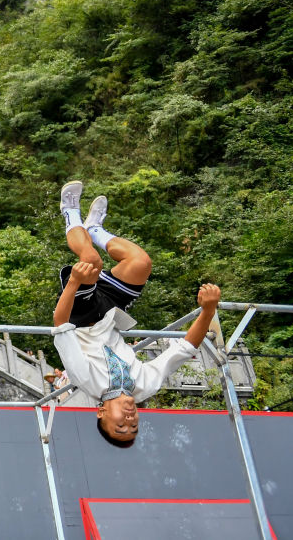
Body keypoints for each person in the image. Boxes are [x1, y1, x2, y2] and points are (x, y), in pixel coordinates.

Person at [52, 180, 222, 447]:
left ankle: (70, 211)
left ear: (101, 413)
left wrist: (74, 282)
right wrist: (208, 310)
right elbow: (186, 348)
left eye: (120, 425)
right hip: (111, 313)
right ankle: (94, 230)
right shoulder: (146, 385)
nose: (129, 420)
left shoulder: (86, 380)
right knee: (140, 263)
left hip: (82, 316)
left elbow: (60, 324)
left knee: (91, 261)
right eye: (133, 426)